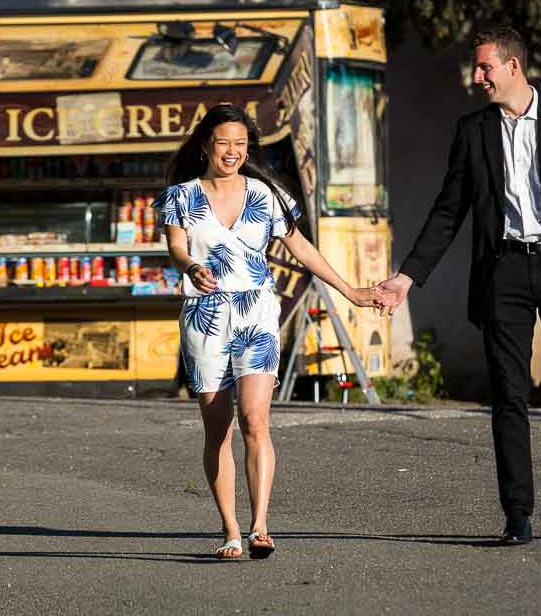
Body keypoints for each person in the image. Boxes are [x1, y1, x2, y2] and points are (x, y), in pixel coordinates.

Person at [377, 27, 541, 546]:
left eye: (485, 67)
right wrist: (407, 277)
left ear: (514, 67)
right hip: (504, 270)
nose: (477, 77)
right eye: (477, 67)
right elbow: (449, 211)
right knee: (509, 394)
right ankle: (517, 511)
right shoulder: (473, 131)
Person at [155, 104, 385, 560]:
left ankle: (260, 525)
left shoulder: (266, 193)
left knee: (255, 420)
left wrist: (351, 292)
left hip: (257, 312)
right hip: (206, 315)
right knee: (217, 429)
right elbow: (177, 247)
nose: (232, 152)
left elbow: (300, 246)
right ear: (206, 144)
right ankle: (231, 530)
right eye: (224, 142)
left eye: (240, 144)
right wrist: (192, 266)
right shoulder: (180, 195)